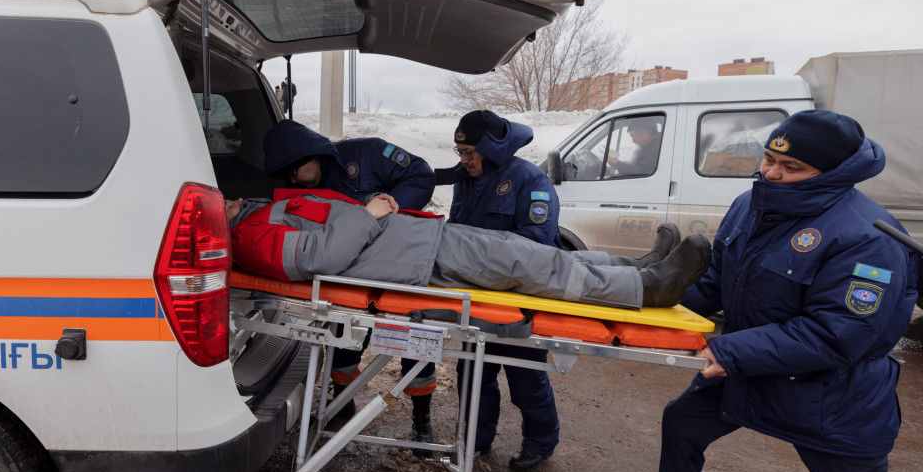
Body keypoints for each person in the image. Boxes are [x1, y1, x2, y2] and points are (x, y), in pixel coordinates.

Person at [621, 110, 923, 472]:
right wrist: (650, 298)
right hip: (756, 370)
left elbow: (839, 335)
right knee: (684, 422)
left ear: (832, 172)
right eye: (768, 158)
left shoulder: (869, 236)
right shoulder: (750, 205)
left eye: (791, 166)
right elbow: (716, 282)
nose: (772, 173)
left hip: (832, 396)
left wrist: (732, 352)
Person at [442, 111, 679, 472]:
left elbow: (537, 245)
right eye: (459, 151)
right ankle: (475, 438)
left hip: (520, 297)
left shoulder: (529, 179)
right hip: (479, 297)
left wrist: (482, 253)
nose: (464, 159)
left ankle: (540, 442)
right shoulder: (466, 180)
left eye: (471, 151)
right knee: (472, 372)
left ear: (492, 149)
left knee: (525, 375)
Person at [226, 190, 709, 310]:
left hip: (422, 239)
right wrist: (368, 212)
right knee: (528, 263)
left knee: (528, 252)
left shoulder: (261, 210)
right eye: (217, 198)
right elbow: (320, 259)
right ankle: (648, 289)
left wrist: (372, 212)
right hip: (416, 258)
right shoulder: (249, 236)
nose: (224, 196)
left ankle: (634, 266)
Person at [263, 119, 439, 445]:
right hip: (351, 270)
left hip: (398, 257)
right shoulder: (301, 190)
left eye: (293, 171)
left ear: (311, 153)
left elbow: (422, 175)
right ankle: (343, 401)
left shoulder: (367, 153)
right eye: (285, 176)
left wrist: (392, 217)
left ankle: (421, 417)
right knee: (342, 337)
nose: (291, 180)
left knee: (416, 335)